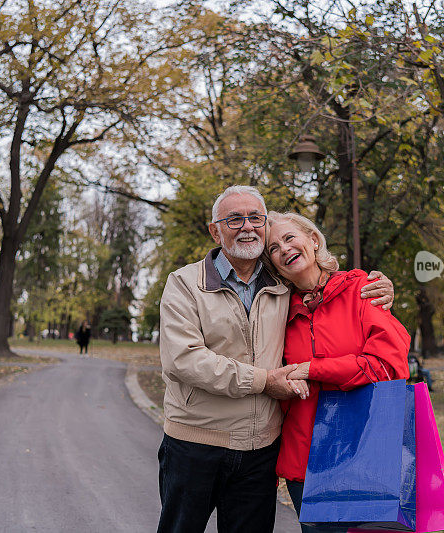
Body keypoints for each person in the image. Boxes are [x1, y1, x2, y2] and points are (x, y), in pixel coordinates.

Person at [157, 186, 396, 533]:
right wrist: (264, 381)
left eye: (256, 218)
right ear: (215, 230)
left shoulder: (285, 288)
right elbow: (183, 360)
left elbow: (330, 294)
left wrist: (378, 285)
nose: (247, 227)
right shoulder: (184, 283)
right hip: (196, 443)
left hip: (260, 451)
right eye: (234, 219)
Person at [264, 211, 411, 533]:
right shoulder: (274, 311)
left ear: (313, 241)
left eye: (290, 238)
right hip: (307, 461)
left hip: (367, 448)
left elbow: (389, 365)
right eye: (273, 248)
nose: (283, 249)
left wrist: (312, 369)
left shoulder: (361, 289)